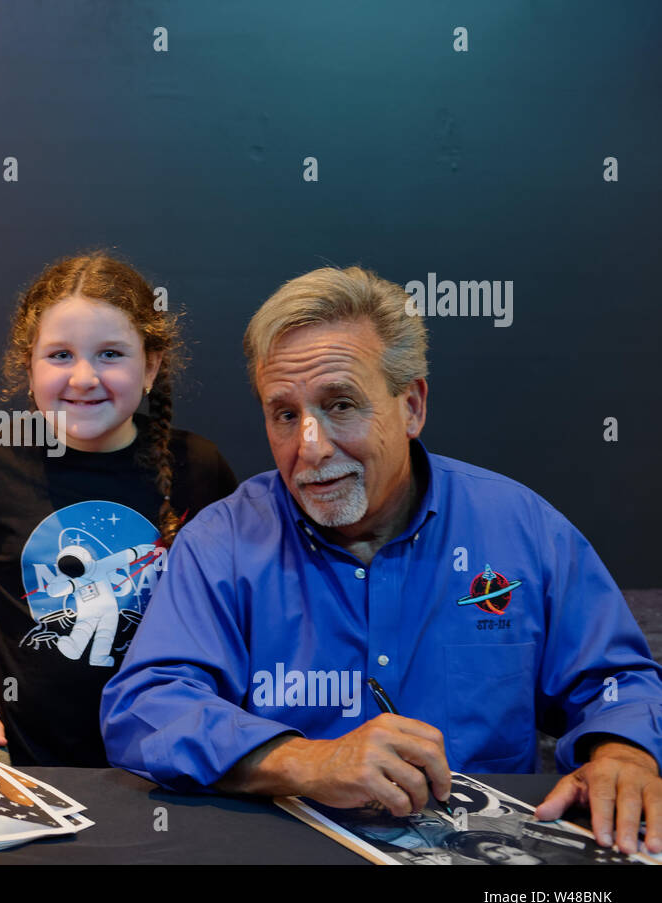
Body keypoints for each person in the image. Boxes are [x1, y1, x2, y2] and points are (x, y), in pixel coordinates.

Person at [101, 265, 662, 854]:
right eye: (285, 414)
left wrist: (622, 752)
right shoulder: (225, 540)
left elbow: (615, 680)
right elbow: (146, 707)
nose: (310, 448)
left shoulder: (522, 530)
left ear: (412, 406)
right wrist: (306, 761)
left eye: (341, 404)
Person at [0, 252, 238, 766]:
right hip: (21, 757)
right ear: (29, 366)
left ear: (151, 366)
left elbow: (235, 606)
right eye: (60, 355)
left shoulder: (198, 466)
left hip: (164, 762)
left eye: (111, 353)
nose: (85, 377)